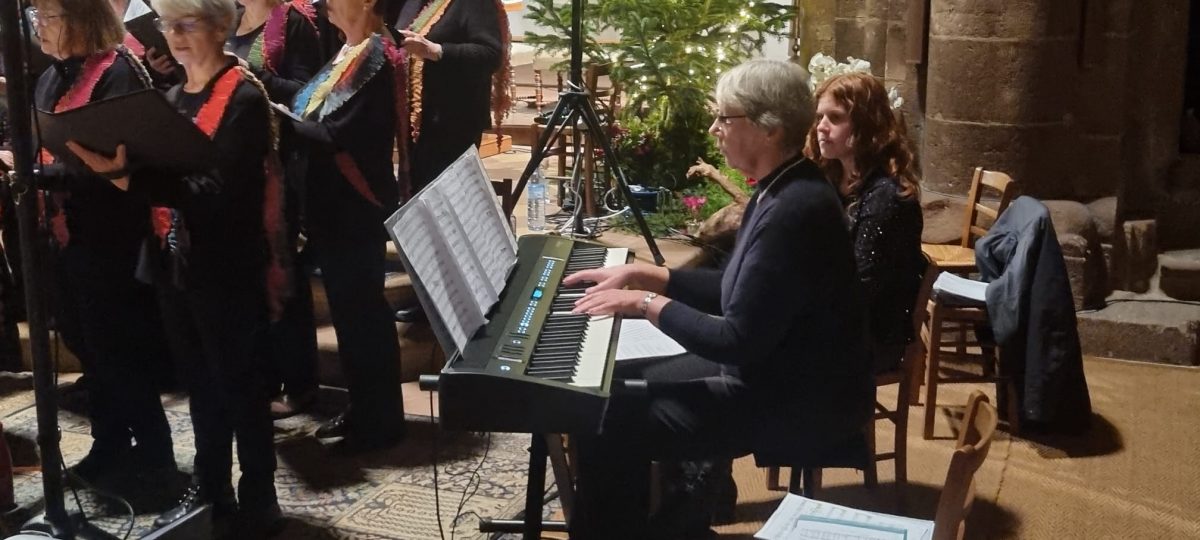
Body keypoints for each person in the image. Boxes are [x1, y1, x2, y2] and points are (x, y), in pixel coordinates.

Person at [563, 60, 874, 539]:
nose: (714, 129)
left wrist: (644, 303)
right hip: (773, 373)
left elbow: (735, 339)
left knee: (604, 416)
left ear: (769, 128)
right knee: (610, 383)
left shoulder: (794, 209)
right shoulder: (786, 185)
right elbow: (737, 288)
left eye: (724, 118)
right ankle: (670, 524)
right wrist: (648, 275)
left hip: (794, 399)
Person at [68, 0, 287, 533]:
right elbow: (161, 178)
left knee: (238, 385)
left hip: (226, 266)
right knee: (200, 384)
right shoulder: (170, 98)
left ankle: (260, 496)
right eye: (169, 26)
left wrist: (129, 180)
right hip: (173, 263)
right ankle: (210, 487)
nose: (176, 36)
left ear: (220, 27)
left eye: (188, 25)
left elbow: (214, 191)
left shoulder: (244, 96)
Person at [9, 0, 177, 485]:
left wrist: (40, 175)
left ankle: (155, 454)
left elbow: (123, 164)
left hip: (112, 238)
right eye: (38, 17)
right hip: (67, 234)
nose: (39, 26)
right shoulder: (50, 77)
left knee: (119, 351)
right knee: (89, 348)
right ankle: (110, 443)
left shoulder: (118, 73)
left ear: (82, 19)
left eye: (49, 17)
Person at [288, 0, 407, 451]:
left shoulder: (376, 55)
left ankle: (379, 424)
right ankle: (364, 409)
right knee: (350, 316)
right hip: (334, 205)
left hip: (354, 206)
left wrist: (275, 118)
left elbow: (336, 133)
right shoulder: (351, 51)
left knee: (363, 319)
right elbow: (312, 108)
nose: (325, 3)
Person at [226, 0, 324, 418]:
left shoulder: (293, 21)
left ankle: (301, 384)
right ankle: (262, 379)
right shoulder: (229, 17)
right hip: (240, 165)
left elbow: (308, 93)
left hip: (283, 164)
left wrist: (252, 75)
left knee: (286, 275)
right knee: (251, 276)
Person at [391, 0, 510, 323]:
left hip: (454, 123)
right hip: (419, 123)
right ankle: (430, 297)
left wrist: (435, 51)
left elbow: (491, 54)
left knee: (447, 215)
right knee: (421, 213)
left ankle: (457, 303)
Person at [806, 72, 924, 374]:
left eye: (835, 117)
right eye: (819, 117)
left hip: (870, 338)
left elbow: (859, 290)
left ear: (867, 123)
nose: (821, 127)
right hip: (833, 320)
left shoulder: (887, 197)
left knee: (764, 353)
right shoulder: (833, 179)